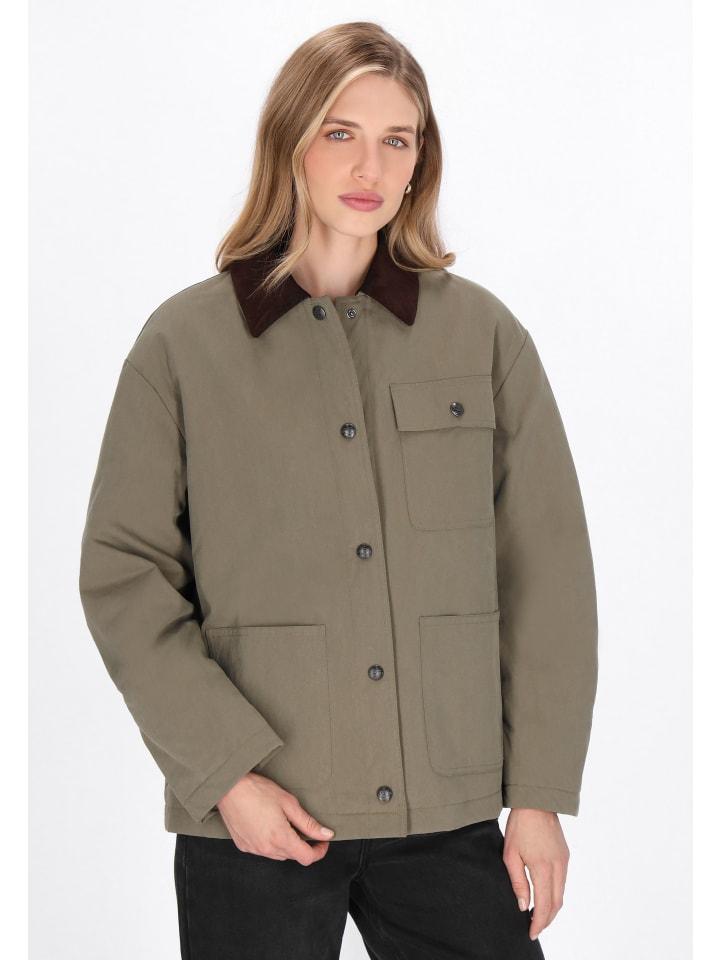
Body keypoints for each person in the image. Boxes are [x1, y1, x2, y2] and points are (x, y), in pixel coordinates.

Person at [78, 20, 598, 960]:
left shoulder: (482, 336)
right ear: (291, 141)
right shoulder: (183, 346)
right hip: (255, 816)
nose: (370, 166)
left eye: (397, 139)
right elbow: (125, 575)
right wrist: (225, 775)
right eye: (340, 132)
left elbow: (546, 574)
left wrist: (539, 795)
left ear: (420, 160)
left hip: (448, 815)